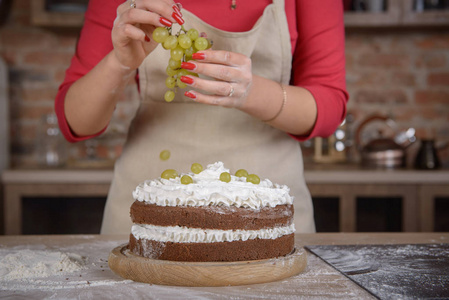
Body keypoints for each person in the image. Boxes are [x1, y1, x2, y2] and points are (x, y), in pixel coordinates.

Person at [55, 0, 348, 234]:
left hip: (267, 211)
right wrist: (118, 63)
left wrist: (250, 93)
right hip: (147, 213)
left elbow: (329, 107)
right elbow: (76, 124)